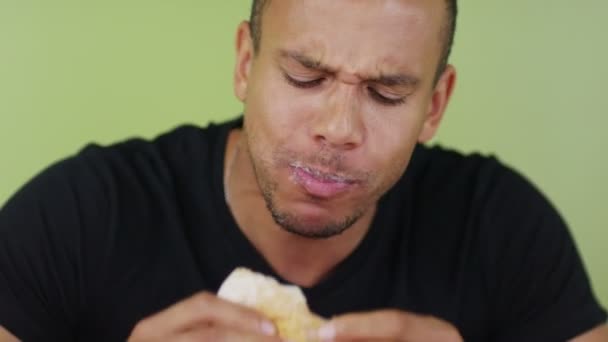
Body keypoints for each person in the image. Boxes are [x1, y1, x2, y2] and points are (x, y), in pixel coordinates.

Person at [0, 0, 606, 341]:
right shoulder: (83, 214)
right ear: (245, 63)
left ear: (436, 105)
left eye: (387, 93)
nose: (339, 127)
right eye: (305, 78)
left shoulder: (499, 227)